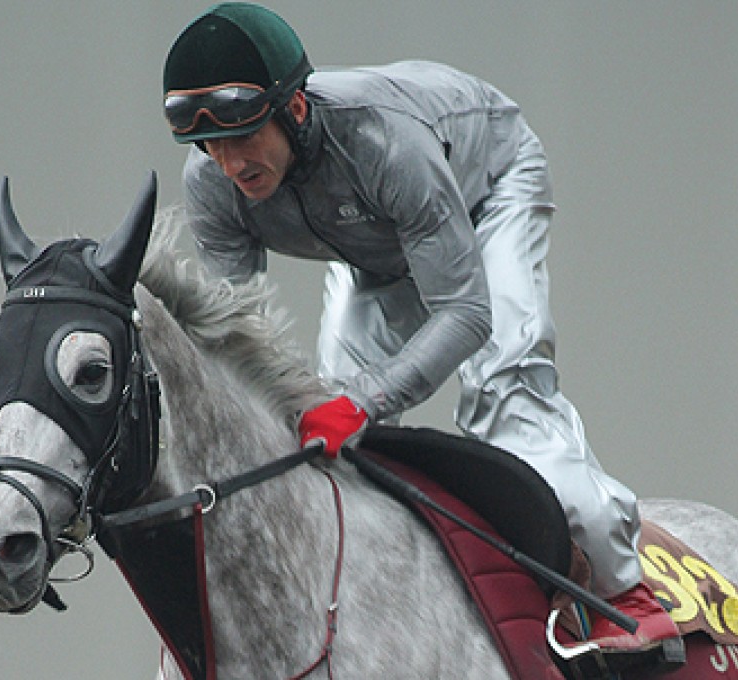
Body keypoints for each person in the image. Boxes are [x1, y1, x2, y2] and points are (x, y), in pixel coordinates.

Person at [162, 2, 680, 668]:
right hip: (377, 244)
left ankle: (622, 590)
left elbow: (465, 314)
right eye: (210, 144)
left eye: (242, 137)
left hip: (485, 194)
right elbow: (234, 340)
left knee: (504, 393)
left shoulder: (384, 144)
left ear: (293, 108)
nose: (229, 163)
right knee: (323, 429)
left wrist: (363, 402)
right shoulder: (211, 184)